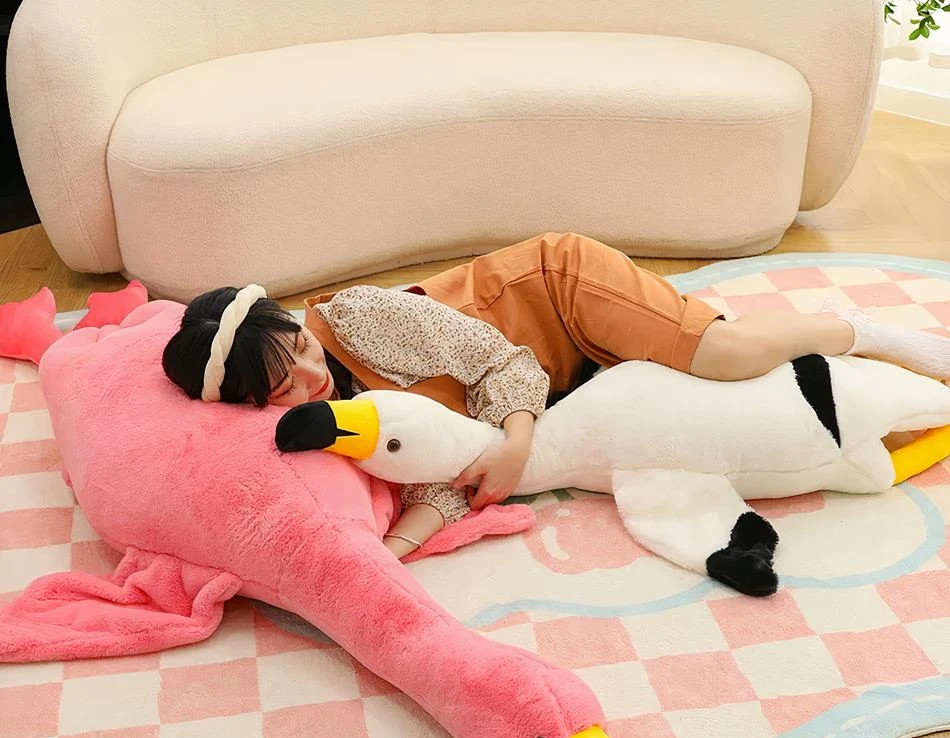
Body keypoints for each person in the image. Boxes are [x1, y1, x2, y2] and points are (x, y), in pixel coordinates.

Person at [162, 232, 950, 558]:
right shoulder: (317, 431)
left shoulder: (359, 317)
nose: (311, 376)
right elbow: (440, 463)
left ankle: (863, 331)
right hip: (572, 382)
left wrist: (514, 444)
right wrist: (394, 551)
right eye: (285, 386)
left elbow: (499, 361)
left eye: (301, 348)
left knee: (728, 357)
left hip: (561, 292)